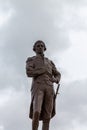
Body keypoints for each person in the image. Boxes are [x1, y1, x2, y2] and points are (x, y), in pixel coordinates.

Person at [26, 40, 61, 130]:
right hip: (38, 87)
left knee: (47, 115)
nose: (40, 47)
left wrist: (55, 79)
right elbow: (29, 72)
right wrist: (43, 70)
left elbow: (58, 74)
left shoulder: (49, 62)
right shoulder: (31, 60)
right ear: (34, 48)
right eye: (38, 46)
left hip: (49, 87)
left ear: (44, 48)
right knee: (36, 111)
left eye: (42, 45)